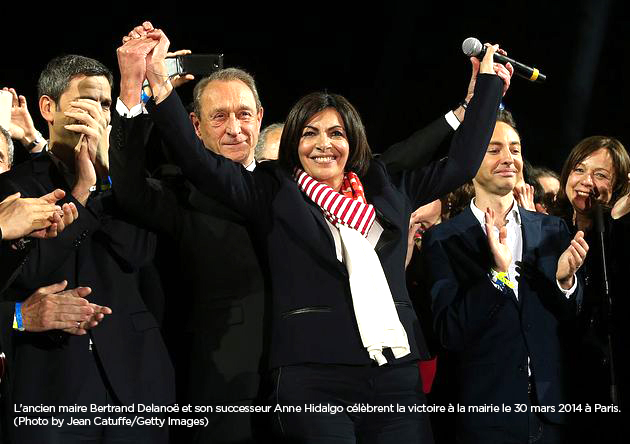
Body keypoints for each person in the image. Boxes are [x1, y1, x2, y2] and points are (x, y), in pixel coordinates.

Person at [120, 22, 511, 442]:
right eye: (309, 133)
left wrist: (486, 89)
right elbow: (196, 160)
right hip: (311, 378)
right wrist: (157, 84)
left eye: (336, 133)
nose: (324, 144)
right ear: (293, 142)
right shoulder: (272, 190)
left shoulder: (385, 187)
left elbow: (461, 164)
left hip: (395, 376)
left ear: (352, 141)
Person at [0, 54, 174, 444]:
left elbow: (138, 252)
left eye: (107, 105)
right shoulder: (12, 188)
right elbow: (26, 272)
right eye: (88, 102)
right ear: (49, 108)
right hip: (51, 389)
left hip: (137, 385)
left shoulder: (133, 186)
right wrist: (80, 192)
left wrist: (107, 178)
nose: (99, 115)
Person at [422, 110, 589, 443]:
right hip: (480, 415)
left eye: (515, 148)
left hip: (548, 414)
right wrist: (497, 276)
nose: (509, 158)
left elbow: (571, 321)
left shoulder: (552, 230)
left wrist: (565, 282)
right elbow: (449, 332)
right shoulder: (444, 239)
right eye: (494, 149)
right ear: (470, 159)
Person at [551, 135, 630, 442]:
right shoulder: (546, 227)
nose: (586, 181)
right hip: (553, 378)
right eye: (580, 169)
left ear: (619, 184)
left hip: (601, 379)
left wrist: (618, 219)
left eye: (600, 175)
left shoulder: (616, 236)